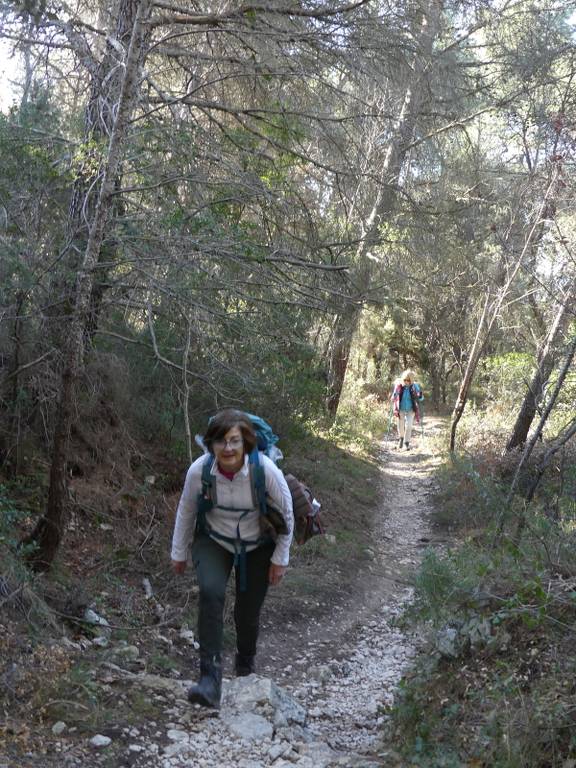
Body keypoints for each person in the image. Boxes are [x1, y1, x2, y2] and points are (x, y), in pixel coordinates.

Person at [171, 409, 294, 709]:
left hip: (258, 545)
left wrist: (280, 559)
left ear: (246, 444)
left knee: (247, 612)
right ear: (211, 444)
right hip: (213, 540)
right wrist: (179, 552)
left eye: (234, 441)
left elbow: (287, 514)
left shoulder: (265, 471)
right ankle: (210, 679)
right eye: (221, 442)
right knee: (211, 593)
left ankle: (245, 663)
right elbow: (186, 511)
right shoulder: (199, 471)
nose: (227, 449)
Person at [392, 370, 423, 450]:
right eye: (405, 380)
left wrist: (419, 396)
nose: (406, 382)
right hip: (400, 408)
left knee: (409, 425)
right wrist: (394, 397)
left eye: (408, 380)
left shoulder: (414, 386)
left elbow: (421, 397)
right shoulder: (399, 386)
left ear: (411, 380)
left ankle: (406, 443)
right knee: (400, 425)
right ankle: (401, 439)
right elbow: (393, 396)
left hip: (411, 409)